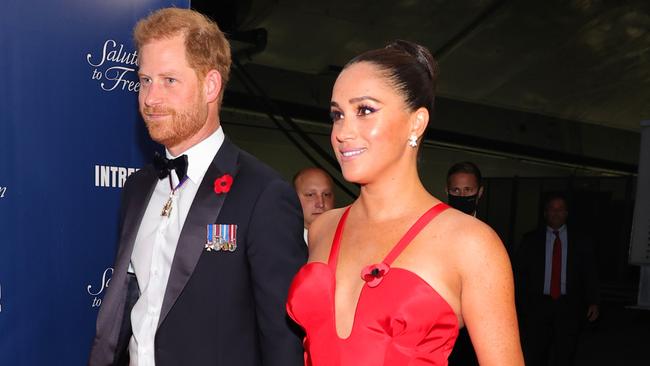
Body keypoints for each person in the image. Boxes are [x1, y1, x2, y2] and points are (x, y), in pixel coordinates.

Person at [88, 8, 306, 366]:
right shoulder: (138, 187)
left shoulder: (263, 194)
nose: (150, 98)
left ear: (210, 85)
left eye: (169, 80)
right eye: (144, 80)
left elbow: (283, 342)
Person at [286, 40, 523, 365]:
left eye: (365, 110)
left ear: (416, 122)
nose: (342, 131)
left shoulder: (470, 244)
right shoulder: (322, 229)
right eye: (337, 114)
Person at [514, 193, 599, 366]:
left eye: (560, 209)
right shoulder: (530, 240)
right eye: (552, 209)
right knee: (536, 352)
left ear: (566, 213)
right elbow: (519, 273)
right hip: (538, 305)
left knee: (566, 353)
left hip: (569, 305)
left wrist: (594, 301)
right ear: (545, 213)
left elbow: (590, 272)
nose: (556, 213)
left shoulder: (581, 240)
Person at [445, 162, 483, 365]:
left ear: (480, 192)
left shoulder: (493, 233)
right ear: (447, 191)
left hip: (478, 328)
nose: (462, 195)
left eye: (468, 190)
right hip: (441, 327)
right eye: (456, 190)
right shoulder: (433, 230)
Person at [293, 167, 336, 244]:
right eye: (310, 195)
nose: (321, 204)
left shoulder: (349, 238)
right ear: (293, 198)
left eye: (326, 194)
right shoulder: (279, 242)